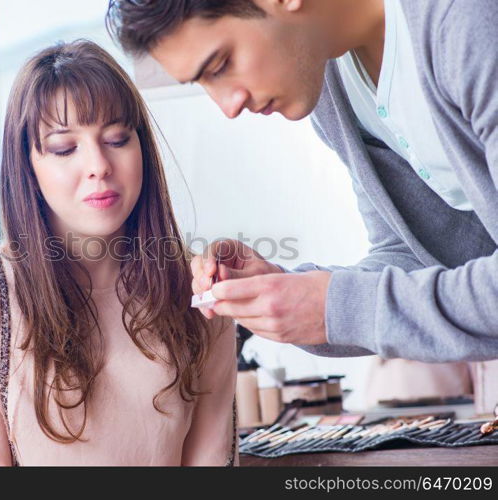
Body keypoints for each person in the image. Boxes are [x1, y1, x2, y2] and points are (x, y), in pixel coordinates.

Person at [106, 0, 498, 413]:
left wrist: (335, 307)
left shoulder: (467, 22)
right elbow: (417, 256)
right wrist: (285, 291)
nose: (228, 106)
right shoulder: (332, 83)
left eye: (220, 65)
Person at [0, 40, 237, 466]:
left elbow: (212, 462)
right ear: (28, 164)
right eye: (64, 148)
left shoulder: (200, 285)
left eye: (117, 139)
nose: (98, 164)